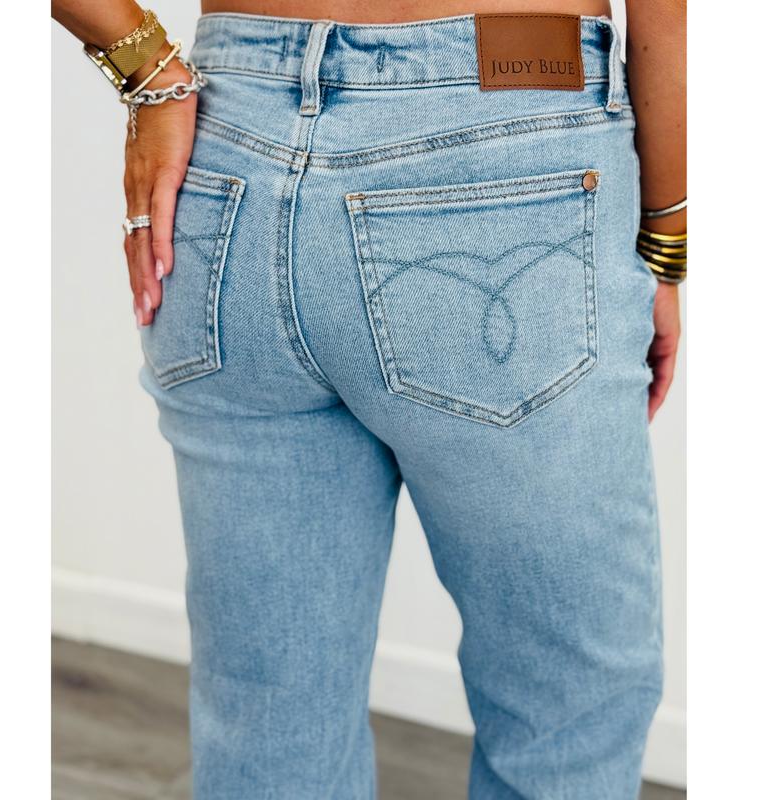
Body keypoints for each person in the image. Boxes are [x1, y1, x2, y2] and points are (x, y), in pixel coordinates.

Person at [52, 0, 686, 796]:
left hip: (226, 148)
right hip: (507, 149)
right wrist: (666, 244)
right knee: (566, 716)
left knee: (271, 718)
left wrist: (145, 69)